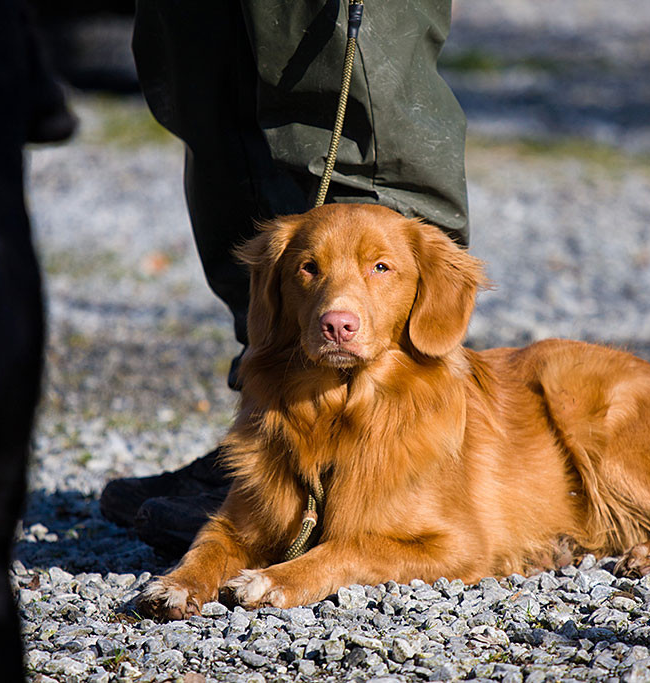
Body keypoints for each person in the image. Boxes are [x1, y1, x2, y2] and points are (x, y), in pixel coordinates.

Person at [100, 0, 470, 556]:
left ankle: (413, 465)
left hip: (405, 392)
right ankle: (277, 444)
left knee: (351, 82)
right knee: (203, 77)